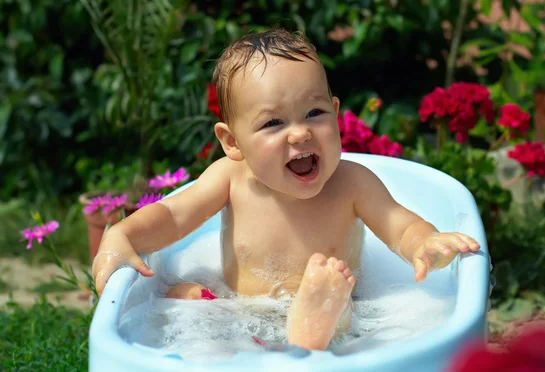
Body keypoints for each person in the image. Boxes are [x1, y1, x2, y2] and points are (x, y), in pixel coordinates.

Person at [92, 28, 480, 351]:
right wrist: (122, 235)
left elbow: (400, 226)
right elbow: (174, 216)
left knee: (335, 311)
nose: (300, 132)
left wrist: (425, 243)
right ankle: (290, 332)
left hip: (339, 306)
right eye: (273, 123)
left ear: (336, 112)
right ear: (233, 142)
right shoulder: (229, 178)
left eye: (315, 113)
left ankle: (310, 332)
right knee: (178, 298)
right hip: (241, 308)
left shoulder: (352, 183)